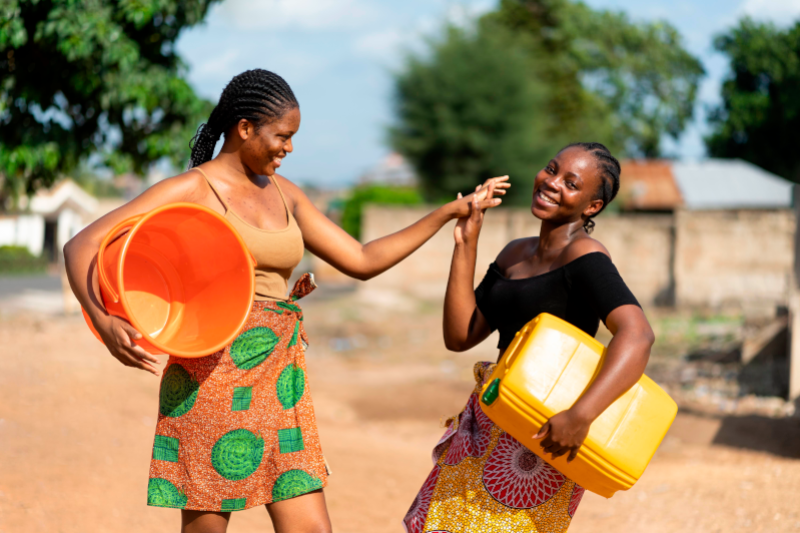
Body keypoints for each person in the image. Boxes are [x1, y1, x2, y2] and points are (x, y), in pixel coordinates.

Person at [63, 68, 509, 533]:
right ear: (244, 129)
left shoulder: (285, 194)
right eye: (282, 135)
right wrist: (103, 319)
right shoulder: (193, 189)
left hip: (280, 380)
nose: (289, 148)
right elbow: (81, 246)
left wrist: (447, 213)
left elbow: (360, 258)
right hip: (209, 378)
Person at [403, 142, 655, 533]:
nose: (552, 183)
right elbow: (460, 335)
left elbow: (637, 336)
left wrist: (580, 416)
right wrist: (466, 243)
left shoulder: (586, 256)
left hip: (543, 433)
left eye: (571, 183)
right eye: (551, 169)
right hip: (491, 416)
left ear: (592, 206)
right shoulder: (514, 254)